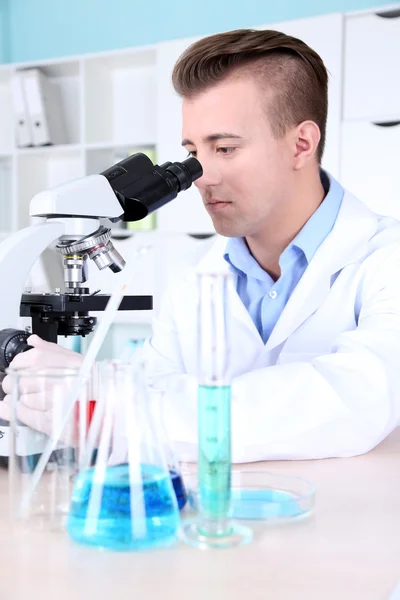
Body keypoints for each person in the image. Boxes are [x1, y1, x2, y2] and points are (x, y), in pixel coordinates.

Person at [2, 29, 400, 462]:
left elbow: (359, 400)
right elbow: (146, 413)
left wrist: (114, 400)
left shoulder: (386, 258)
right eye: (192, 151)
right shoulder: (194, 275)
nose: (201, 176)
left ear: (301, 144)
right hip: (212, 523)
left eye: (225, 147)